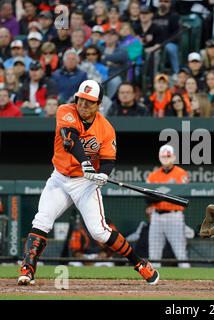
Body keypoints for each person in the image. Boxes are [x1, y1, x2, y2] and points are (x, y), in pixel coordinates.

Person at [17, 80, 159, 286]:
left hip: (85, 183)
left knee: (99, 232)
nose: (83, 104)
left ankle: (139, 263)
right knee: (42, 221)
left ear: (99, 104)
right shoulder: (65, 110)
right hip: (60, 177)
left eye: (89, 102)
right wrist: (85, 162)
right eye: (81, 99)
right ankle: (27, 269)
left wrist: (103, 174)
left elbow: (109, 161)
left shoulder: (106, 128)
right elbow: (70, 139)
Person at [146, 144, 190, 268]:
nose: (166, 159)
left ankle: (189, 282)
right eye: (163, 157)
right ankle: (153, 279)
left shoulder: (181, 173)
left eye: (168, 156)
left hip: (174, 216)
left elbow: (182, 197)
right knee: (154, 253)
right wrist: (165, 194)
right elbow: (147, 198)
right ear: (159, 157)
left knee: (180, 252)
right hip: (157, 216)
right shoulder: (153, 175)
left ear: (174, 157)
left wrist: (159, 195)